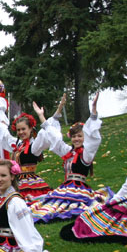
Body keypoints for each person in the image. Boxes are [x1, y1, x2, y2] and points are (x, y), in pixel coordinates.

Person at [30, 93, 113, 223]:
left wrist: (94, 111)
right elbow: (55, 139)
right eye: (74, 136)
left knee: (70, 205)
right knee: (50, 203)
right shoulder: (68, 152)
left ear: (85, 137)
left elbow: (94, 139)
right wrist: (41, 116)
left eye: (80, 136)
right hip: (66, 186)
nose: (76, 139)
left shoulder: (86, 154)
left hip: (80, 188)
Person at [0, 103, 53, 205]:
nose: (21, 132)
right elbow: (4, 134)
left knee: (27, 201)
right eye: (18, 130)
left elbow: (47, 135)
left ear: (30, 129)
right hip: (16, 180)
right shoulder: (19, 144)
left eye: (23, 129)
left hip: (29, 181)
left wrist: (41, 116)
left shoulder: (34, 146)